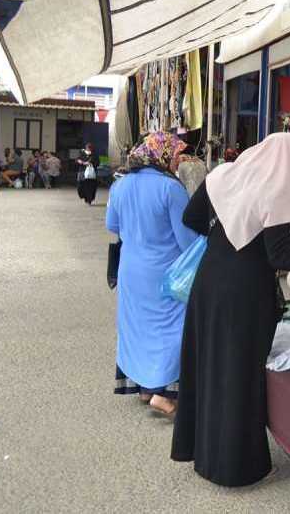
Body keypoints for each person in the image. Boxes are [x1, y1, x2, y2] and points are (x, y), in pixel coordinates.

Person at [171, 133, 290, 487]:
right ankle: (233, 466)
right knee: (237, 371)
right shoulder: (273, 190)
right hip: (244, 292)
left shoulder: (223, 175)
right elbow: (278, 256)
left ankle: (202, 450)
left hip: (210, 281)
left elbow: (192, 218)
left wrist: (227, 238)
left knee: (210, 364)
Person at [106, 132, 196, 416]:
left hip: (131, 269)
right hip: (165, 273)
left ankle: (145, 389)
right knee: (171, 328)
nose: (179, 160)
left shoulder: (120, 185)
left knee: (138, 328)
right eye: (177, 153)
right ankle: (164, 395)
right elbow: (187, 240)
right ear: (163, 154)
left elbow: (114, 227)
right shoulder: (171, 188)